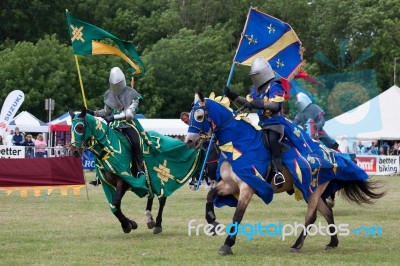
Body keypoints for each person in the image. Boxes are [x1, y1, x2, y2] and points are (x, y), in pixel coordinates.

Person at [224, 58, 314, 187]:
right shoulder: (256, 91)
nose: (255, 78)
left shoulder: (275, 86)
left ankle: (278, 172)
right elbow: (247, 102)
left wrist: (256, 103)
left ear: (264, 73)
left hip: (276, 123)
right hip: (262, 124)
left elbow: (274, 105)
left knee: (272, 140)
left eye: (256, 75)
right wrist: (233, 96)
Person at [89, 66, 144, 184]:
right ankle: (99, 175)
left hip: (128, 125)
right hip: (113, 126)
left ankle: (140, 170)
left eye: (118, 83)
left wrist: (113, 117)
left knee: (135, 143)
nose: (116, 86)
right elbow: (106, 111)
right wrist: (93, 113)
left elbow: (130, 114)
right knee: (98, 144)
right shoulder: (109, 94)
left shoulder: (132, 94)